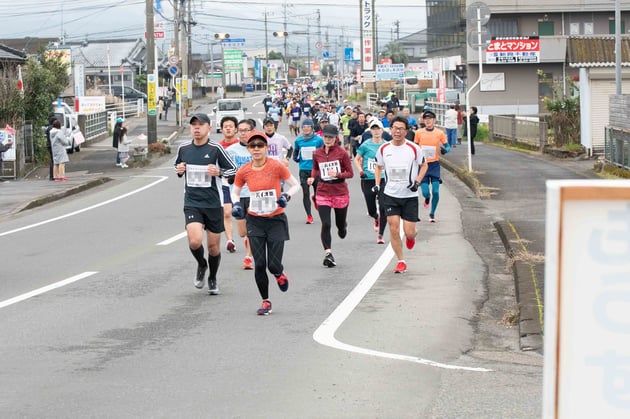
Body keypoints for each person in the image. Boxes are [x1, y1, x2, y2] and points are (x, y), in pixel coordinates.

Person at [231, 130, 301, 315]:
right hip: (255, 220)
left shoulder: (276, 166)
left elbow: (295, 185)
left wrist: (286, 195)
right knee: (260, 263)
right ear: (248, 149)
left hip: (276, 219)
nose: (256, 149)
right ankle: (265, 301)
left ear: (266, 148)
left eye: (260, 145)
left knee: (273, 265)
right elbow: (235, 191)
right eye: (252, 146)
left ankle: (279, 273)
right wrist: (237, 205)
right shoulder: (244, 170)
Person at [174, 113, 237, 295]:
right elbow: (178, 166)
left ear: (209, 128)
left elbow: (233, 169)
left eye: (200, 125)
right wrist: (179, 170)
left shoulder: (216, 149)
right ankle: (202, 265)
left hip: (213, 203)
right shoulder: (184, 148)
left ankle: (212, 277)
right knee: (194, 241)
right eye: (193, 125)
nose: (196, 128)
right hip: (192, 201)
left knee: (213, 247)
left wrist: (218, 172)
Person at [373, 116, 428, 274]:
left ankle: (411, 237)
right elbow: (378, 166)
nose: (397, 131)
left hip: (410, 195)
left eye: (401, 129)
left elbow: (424, 165)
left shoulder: (413, 148)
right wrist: (377, 184)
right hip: (390, 194)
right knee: (394, 228)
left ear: (406, 131)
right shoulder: (384, 149)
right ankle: (401, 261)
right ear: (390, 129)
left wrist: (417, 182)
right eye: (395, 128)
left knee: (409, 231)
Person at [308, 124, 353, 267]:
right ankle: (328, 253)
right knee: (326, 223)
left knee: (339, 224)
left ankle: (342, 227)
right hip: (323, 191)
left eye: (330, 137)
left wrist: (338, 174)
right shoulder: (317, 153)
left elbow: (350, 173)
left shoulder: (342, 153)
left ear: (335, 138)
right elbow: (315, 168)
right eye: (325, 136)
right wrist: (312, 177)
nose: (327, 139)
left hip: (339, 191)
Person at [226, 119, 257, 270]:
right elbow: (225, 171)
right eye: (241, 130)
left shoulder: (258, 148)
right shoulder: (231, 150)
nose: (243, 133)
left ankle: (248, 257)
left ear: (253, 130)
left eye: (246, 130)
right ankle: (250, 244)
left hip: (254, 194)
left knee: (252, 227)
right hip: (237, 194)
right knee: (242, 231)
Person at [354, 118, 387, 244]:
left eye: (378, 128)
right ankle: (376, 217)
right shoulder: (366, 145)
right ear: (371, 131)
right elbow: (357, 159)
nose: (376, 131)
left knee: (383, 206)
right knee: (371, 208)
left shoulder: (386, 145)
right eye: (373, 129)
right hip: (368, 178)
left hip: (383, 178)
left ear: (382, 130)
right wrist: (360, 171)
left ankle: (381, 234)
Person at [414, 110, 450, 223]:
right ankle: (427, 198)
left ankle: (432, 213)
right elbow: (415, 146)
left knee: (435, 191)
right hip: (423, 164)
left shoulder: (439, 133)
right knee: (425, 192)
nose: (428, 121)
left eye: (430, 119)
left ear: (434, 120)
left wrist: (445, 150)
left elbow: (447, 146)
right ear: (423, 121)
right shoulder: (419, 132)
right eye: (426, 119)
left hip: (434, 164)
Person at [292, 119, 324, 224]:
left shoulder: (318, 140)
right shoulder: (298, 140)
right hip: (304, 170)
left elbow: (323, 152)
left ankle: (315, 198)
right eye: (304, 126)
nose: (305, 128)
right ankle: (309, 216)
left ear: (312, 128)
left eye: (308, 126)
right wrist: (296, 159)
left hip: (315, 170)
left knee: (317, 192)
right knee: (305, 193)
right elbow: (295, 152)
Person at [218, 116, 239, 254]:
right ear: (221, 129)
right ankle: (230, 240)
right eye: (225, 126)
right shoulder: (217, 147)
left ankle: (248, 237)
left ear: (236, 129)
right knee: (226, 213)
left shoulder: (242, 145)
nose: (228, 128)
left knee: (245, 216)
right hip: (225, 184)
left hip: (241, 186)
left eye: (231, 126)